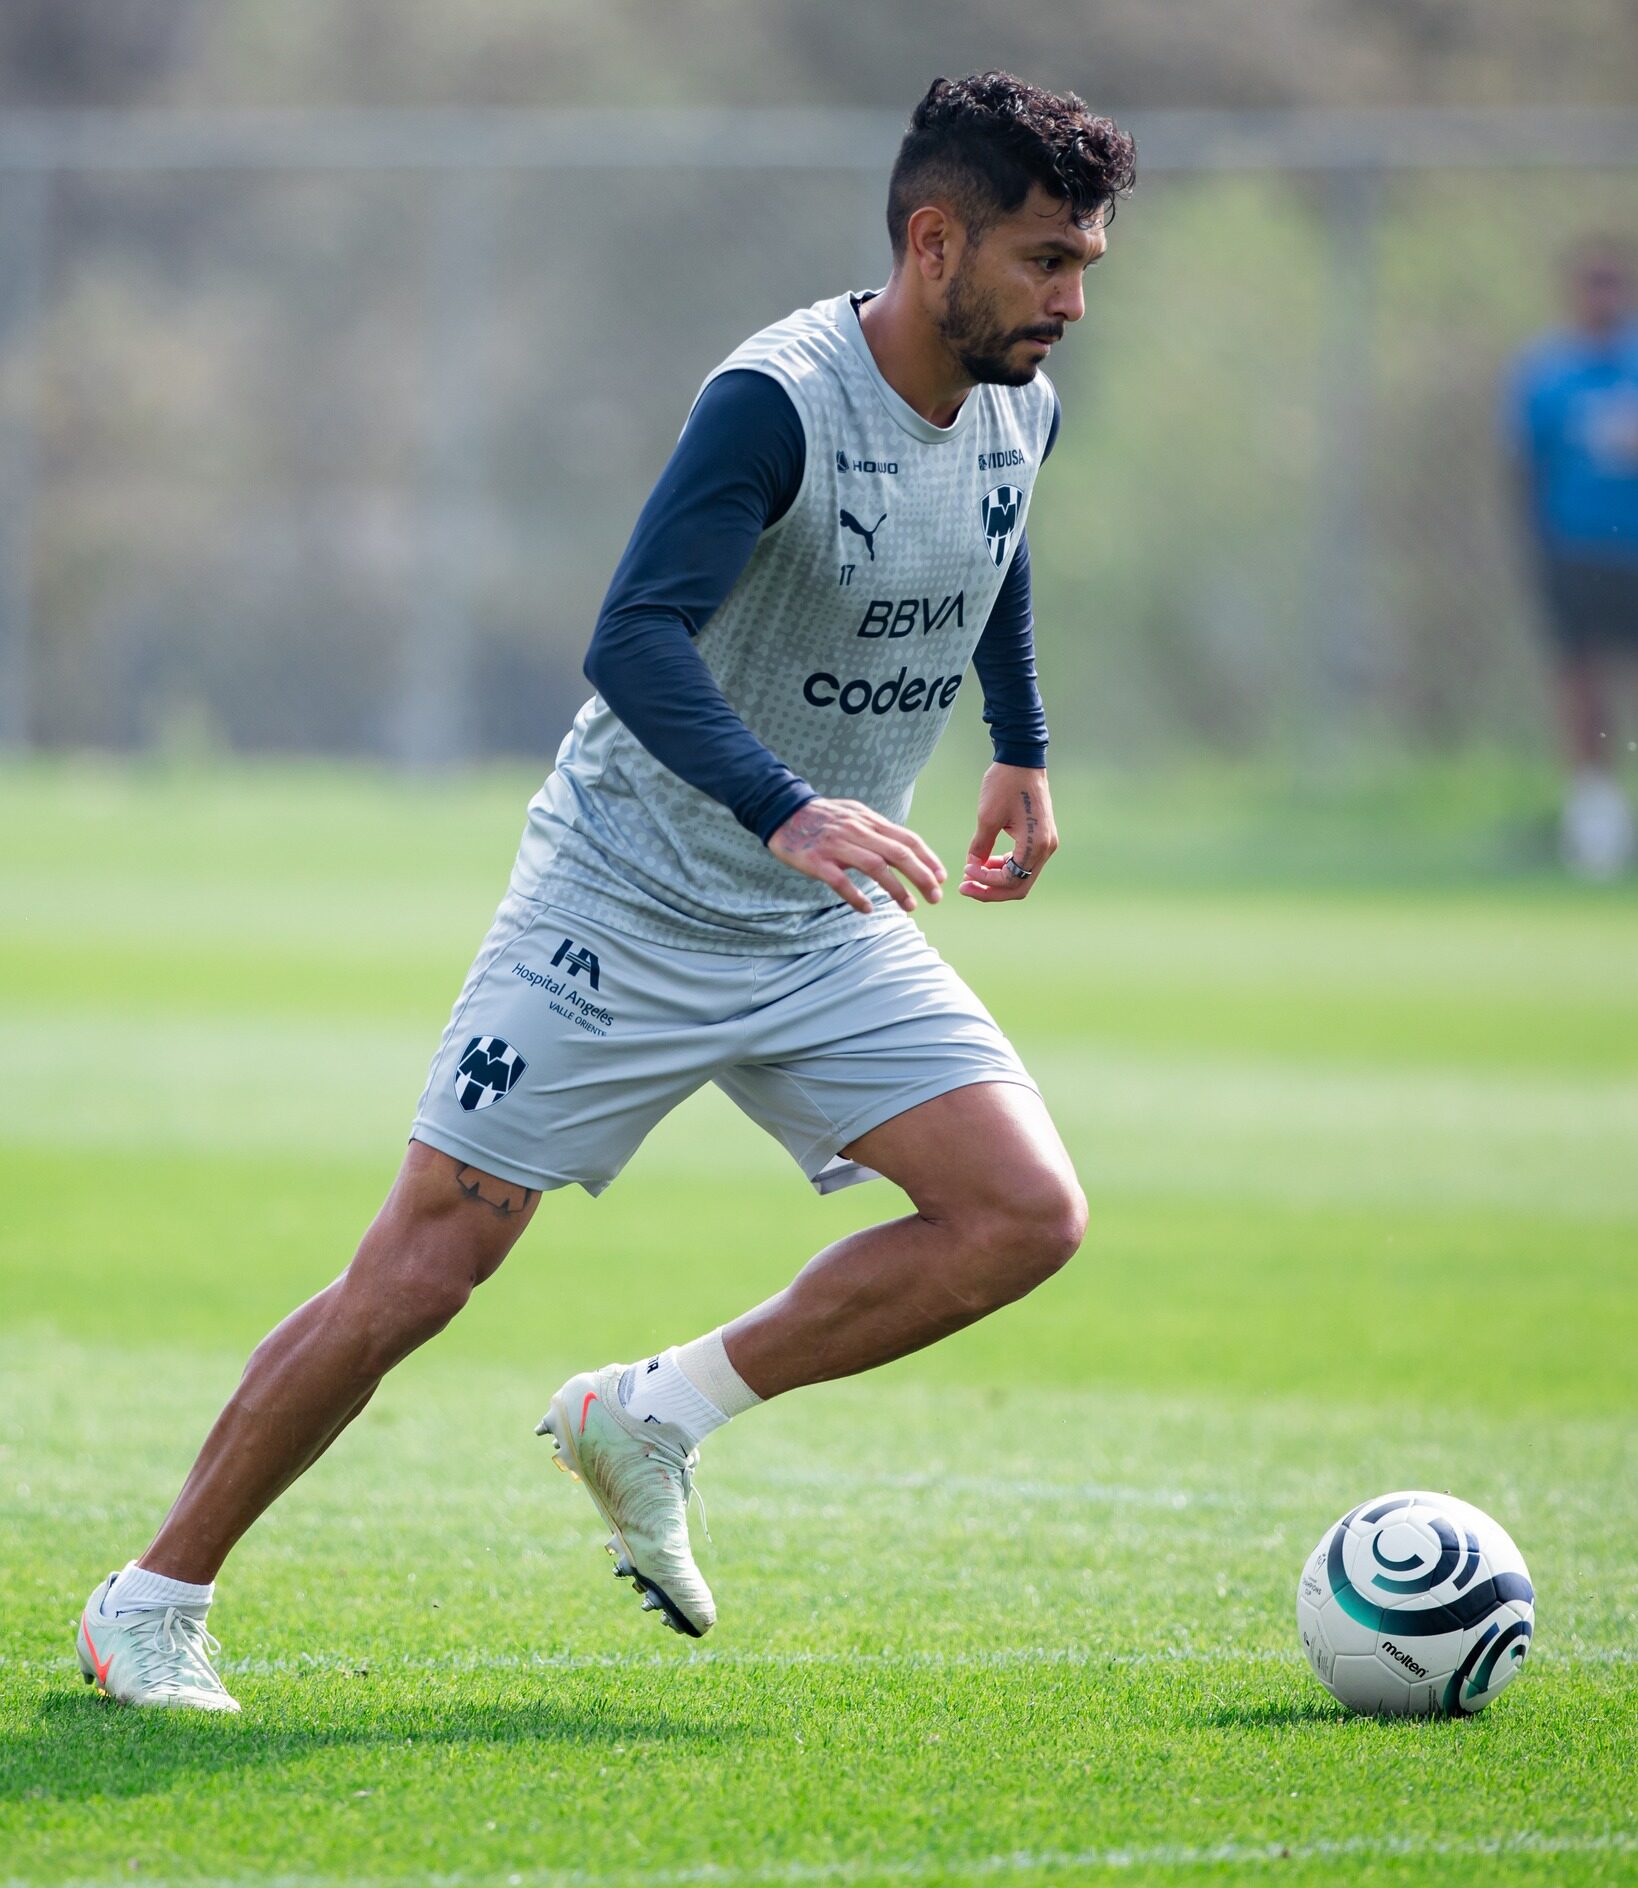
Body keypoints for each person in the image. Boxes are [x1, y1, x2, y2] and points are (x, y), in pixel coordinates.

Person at [75, 72, 1137, 1710]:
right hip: (626, 895)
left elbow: (986, 535)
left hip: (810, 918)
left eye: (1084, 264)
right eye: (1044, 261)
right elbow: (630, 634)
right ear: (935, 243)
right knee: (422, 1269)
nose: (1070, 300)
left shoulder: (1018, 401)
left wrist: (1024, 743)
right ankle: (151, 1596)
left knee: (1019, 1214)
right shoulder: (774, 401)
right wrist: (785, 808)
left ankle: (650, 1412)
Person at [1507, 237, 1638, 877]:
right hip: (1576, 550)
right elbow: (1524, 466)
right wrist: (1534, 547)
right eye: (1593, 281)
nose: (1605, 294)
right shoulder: (1547, 372)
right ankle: (1596, 824)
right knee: (1582, 685)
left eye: (1615, 280)